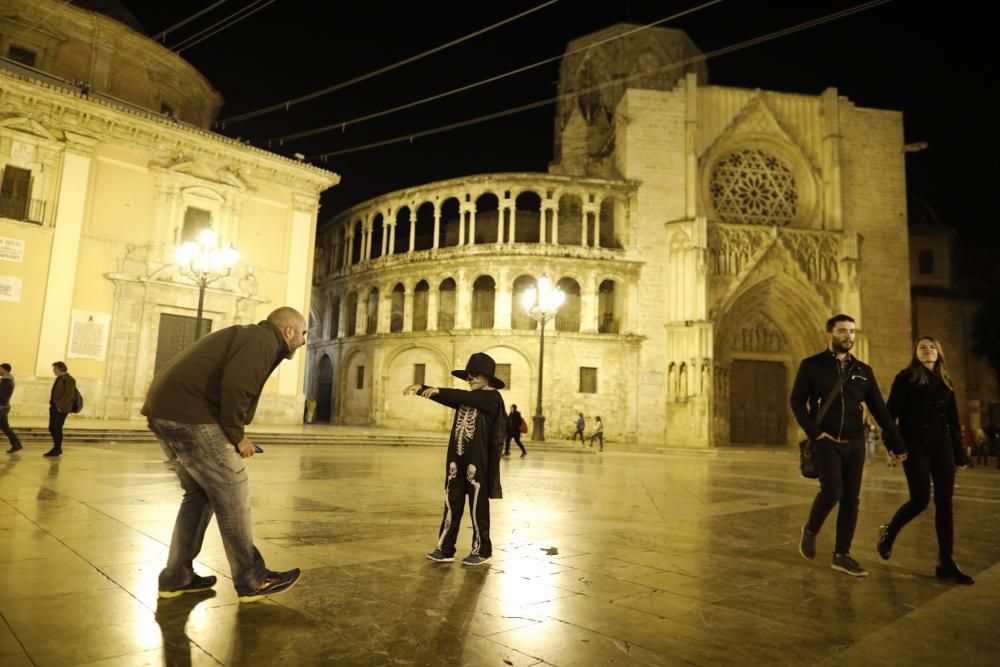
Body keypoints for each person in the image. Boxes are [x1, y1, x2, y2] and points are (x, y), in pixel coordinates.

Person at [141, 307, 307, 602]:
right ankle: (252, 579)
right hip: (189, 416)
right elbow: (235, 385)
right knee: (233, 491)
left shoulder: (251, 337)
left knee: (199, 495)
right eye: (303, 333)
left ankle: (176, 576)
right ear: (288, 331)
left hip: (167, 412)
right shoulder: (263, 340)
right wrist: (237, 435)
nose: (304, 341)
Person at [790, 314, 906, 577]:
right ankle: (810, 529)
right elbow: (796, 402)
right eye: (843, 331)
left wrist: (896, 442)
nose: (849, 337)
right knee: (832, 492)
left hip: (854, 442)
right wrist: (815, 433)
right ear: (830, 335)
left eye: (852, 332)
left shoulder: (863, 371)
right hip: (825, 441)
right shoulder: (812, 366)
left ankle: (842, 555)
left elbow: (879, 409)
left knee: (851, 500)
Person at [876, 337, 974, 585]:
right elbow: (889, 417)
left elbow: (952, 420)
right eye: (922, 347)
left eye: (932, 346)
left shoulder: (946, 381)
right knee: (919, 500)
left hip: (942, 448)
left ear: (938, 353)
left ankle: (946, 560)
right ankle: (889, 532)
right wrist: (894, 446)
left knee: (945, 503)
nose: (927, 349)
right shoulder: (905, 378)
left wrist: (959, 453)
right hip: (915, 447)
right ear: (916, 354)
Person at [405, 352, 505, 566]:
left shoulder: (491, 397)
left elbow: (462, 397)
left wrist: (438, 389)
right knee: (451, 504)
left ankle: (482, 549)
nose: (470, 379)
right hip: (456, 460)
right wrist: (423, 389)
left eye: (475, 375)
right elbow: (453, 399)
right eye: (468, 376)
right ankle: (445, 548)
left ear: (487, 377)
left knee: (478, 507)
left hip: (477, 462)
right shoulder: (466, 399)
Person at [45, 361, 77, 458]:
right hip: (54, 407)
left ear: (60, 368)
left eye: (54, 369)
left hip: (61, 408)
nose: (53, 371)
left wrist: (59, 406)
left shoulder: (69, 379)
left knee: (57, 428)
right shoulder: (59, 378)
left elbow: (68, 395)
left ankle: (57, 448)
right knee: (52, 427)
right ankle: (57, 448)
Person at [1, 363, 23, 454]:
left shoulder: (7, 382)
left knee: (5, 427)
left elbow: (2, 396)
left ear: (4, 370)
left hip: (1, 407)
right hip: (3, 407)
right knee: (5, 427)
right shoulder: (5, 381)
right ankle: (16, 444)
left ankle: (16, 444)